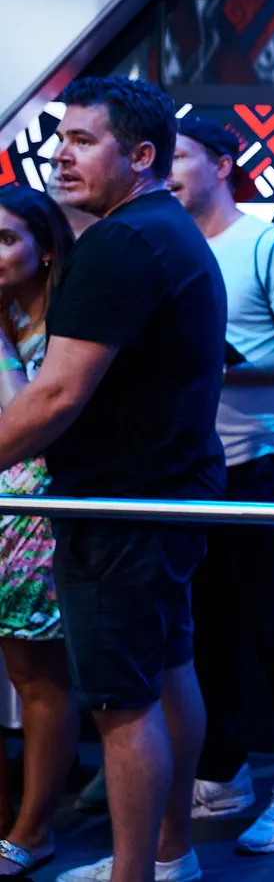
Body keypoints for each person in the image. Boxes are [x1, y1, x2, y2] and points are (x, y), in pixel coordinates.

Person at [0, 76, 225, 882]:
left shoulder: (121, 242)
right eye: (60, 139)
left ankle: (137, 873)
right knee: (165, 673)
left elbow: (57, 393)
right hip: (161, 493)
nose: (61, 156)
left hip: (120, 503)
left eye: (83, 141)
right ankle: (168, 855)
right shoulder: (163, 230)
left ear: (141, 155)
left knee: (124, 702)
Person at [167, 116, 274, 853]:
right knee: (202, 629)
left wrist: (226, 369)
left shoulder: (269, 246)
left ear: (222, 163)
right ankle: (222, 771)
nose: (163, 168)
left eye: (178, 155)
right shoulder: (167, 246)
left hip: (265, 461)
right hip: (188, 467)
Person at [0, 187, 80, 877]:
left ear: (45, 249)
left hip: (37, 514)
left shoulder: (64, 322)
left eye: (5, 239)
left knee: (37, 678)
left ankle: (34, 828)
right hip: (10, 506)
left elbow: (26, 417)